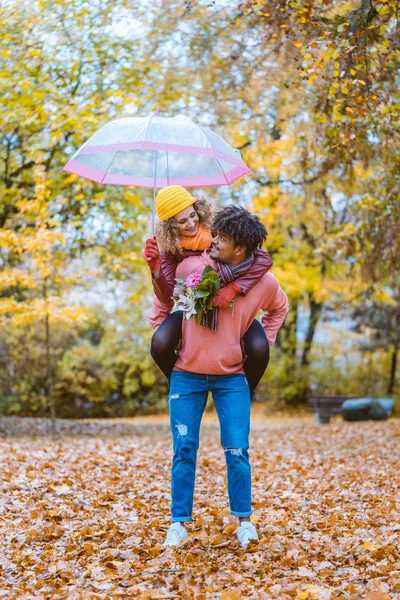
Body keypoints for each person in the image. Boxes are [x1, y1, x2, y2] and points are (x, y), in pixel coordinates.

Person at [150, 206, 289, 548]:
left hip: (231, 379)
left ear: (240, 249)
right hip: (186, 374)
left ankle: (244, 521)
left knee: (237, 450)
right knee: (184, 448)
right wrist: (162, 331)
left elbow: (279, 308)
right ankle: (178, 523)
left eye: (222, 238)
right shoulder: (192, 266)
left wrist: (261, 343)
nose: (212, 239)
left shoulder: (263, 282)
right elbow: (164, 303)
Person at [142, 185, 273, 397]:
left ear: (198, 210)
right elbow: (165, 296)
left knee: (259, 348)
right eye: (182, 221)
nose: (191, 223)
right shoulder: (168, 249)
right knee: (160, 343)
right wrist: (155, 268)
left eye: (192, 215)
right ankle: (184, 384)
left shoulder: (215, 231)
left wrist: (234, 288)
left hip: (232, 308)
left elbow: (264, 259)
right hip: (194, 307)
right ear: (170, 226)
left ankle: (243, 393)